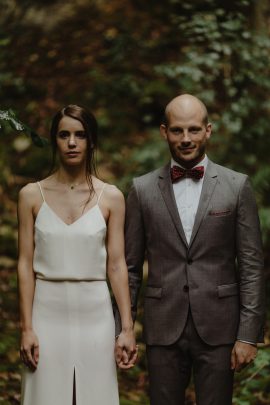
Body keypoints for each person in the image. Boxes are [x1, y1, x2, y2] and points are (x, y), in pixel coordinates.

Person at [117, 94, 265, 405]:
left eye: (194, 130)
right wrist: (124, 328)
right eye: (177, 130)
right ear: (163, 131)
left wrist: (248, 334)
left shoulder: (236, 186)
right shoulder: (141, 189)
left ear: (208, 130)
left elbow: (252, 265)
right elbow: (129, 267)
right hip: (162, 326)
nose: (186, 139)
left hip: (220, 328)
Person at [17, 104, 137, 405]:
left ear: (92, 141)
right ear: (54, 140)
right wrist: (27, 327)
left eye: (80, 135)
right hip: (46, 312)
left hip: (95, 312)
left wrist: (126, 328)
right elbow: (24, 264)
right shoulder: (31, 195)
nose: (72, 142)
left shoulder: (111, 197)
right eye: (64, 135)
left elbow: (117, 265)